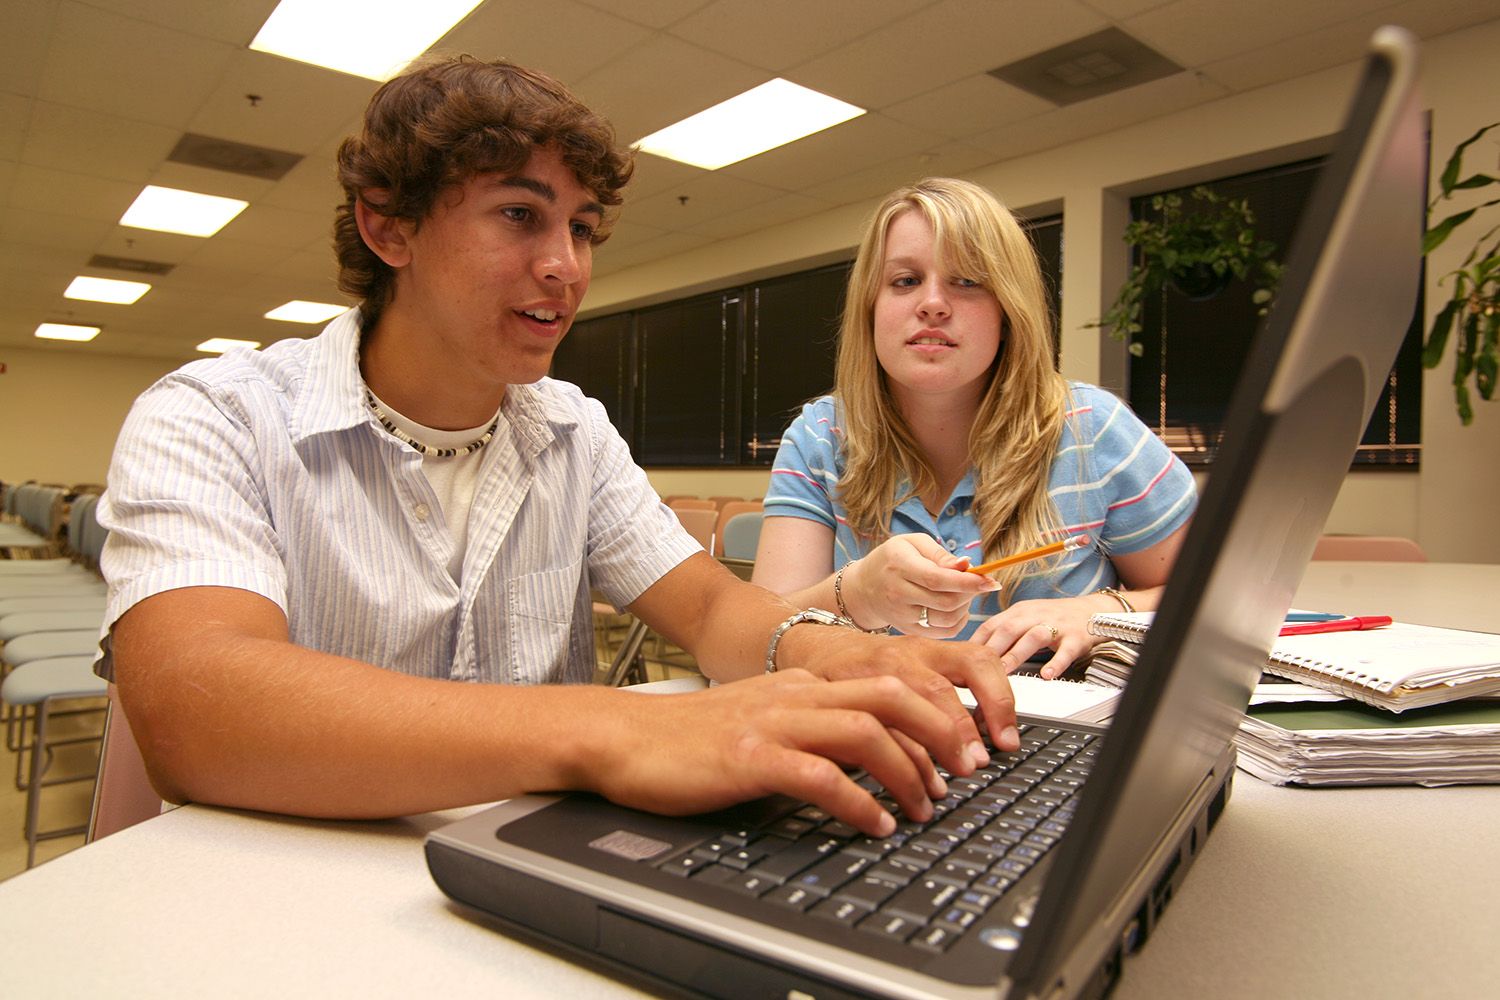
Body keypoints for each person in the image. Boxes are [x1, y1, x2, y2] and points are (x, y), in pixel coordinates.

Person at [94, 59, 1020, 839]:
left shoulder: (572, 428)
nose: (567, 266)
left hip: (522, 868)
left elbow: (713, 614)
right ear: (390, 227)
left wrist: (835, 654)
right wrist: (614, 732)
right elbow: (197, 708)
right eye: (519, 215)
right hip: (294, 881)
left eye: (581, 228)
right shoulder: (212, 418)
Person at [753, 178, 1195, 680]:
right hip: (873, 731)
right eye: (905, 281)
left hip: (1056, 735)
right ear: (869, 309)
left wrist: (1095, 613)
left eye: (967, 282)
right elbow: (760, 638)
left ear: (1008, 312)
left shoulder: (1092, 429)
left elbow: (1211, 595)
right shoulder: (819, 438)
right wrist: (857, 593)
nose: (933, 304)